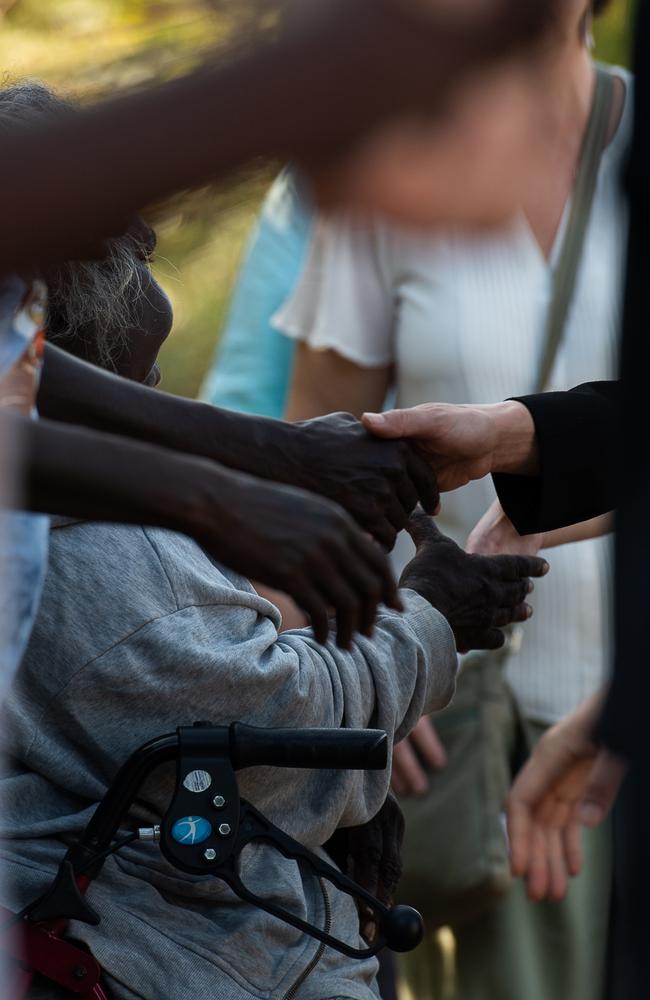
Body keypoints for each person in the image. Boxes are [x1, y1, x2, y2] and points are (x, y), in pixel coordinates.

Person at [0, 222, 548, 1000]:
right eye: (141, 260)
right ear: (63, 315)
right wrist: (431, 622)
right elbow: (266, 736)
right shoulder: (92, 556)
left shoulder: (85, 524)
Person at [272, 2, 624, 995]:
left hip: (617, 699)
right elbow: (317, 461)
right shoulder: (388, 168)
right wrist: (366, 650)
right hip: (462, 743)